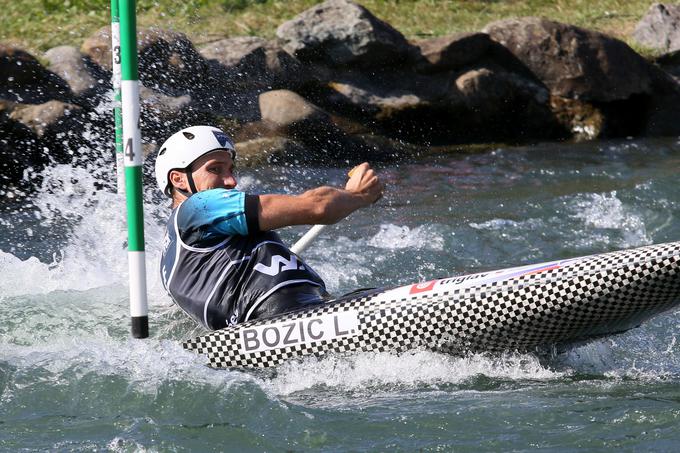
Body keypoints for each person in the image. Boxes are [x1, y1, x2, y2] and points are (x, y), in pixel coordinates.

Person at [155, 125, 384, 330]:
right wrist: (358, 194)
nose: (231, 181)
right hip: (278, 322)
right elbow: (319, 207)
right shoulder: (197, 209)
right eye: (216, 169)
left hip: (308, 313)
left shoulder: (183, 250)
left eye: (231, 170)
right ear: (178, 180)